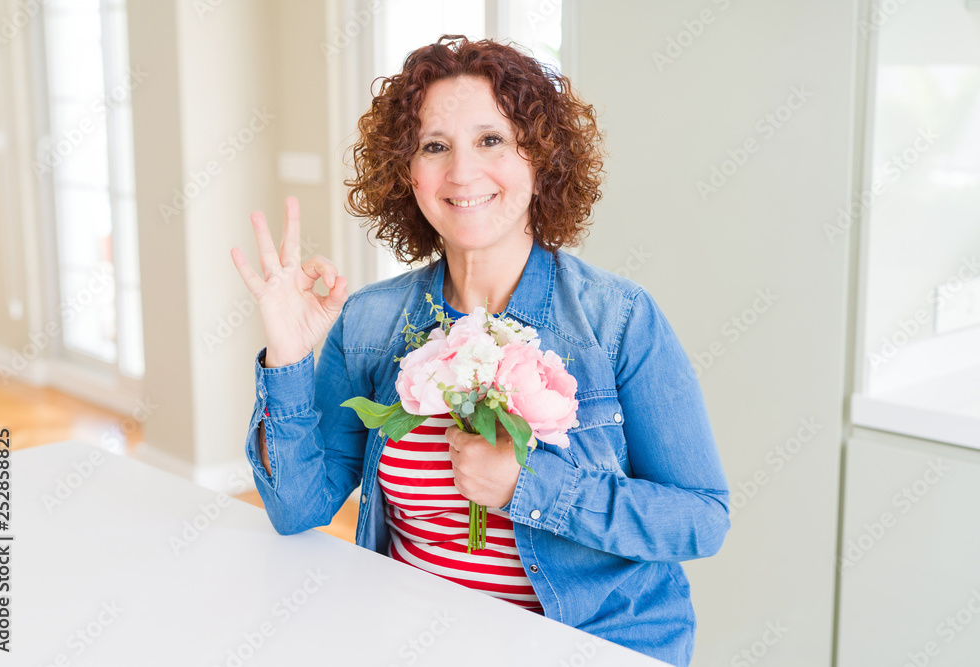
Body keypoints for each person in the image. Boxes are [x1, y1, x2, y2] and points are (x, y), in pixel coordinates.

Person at [230, 34, 730, 667]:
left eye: (491, 140)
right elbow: (295, 507)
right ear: (407, 174)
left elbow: (701, 519)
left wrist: (530, 485)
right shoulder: (371, 321)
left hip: (593, 643)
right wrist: (288, 356)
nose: (462, 173)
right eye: (435, 146)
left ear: (539, 158)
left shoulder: (618, 318)